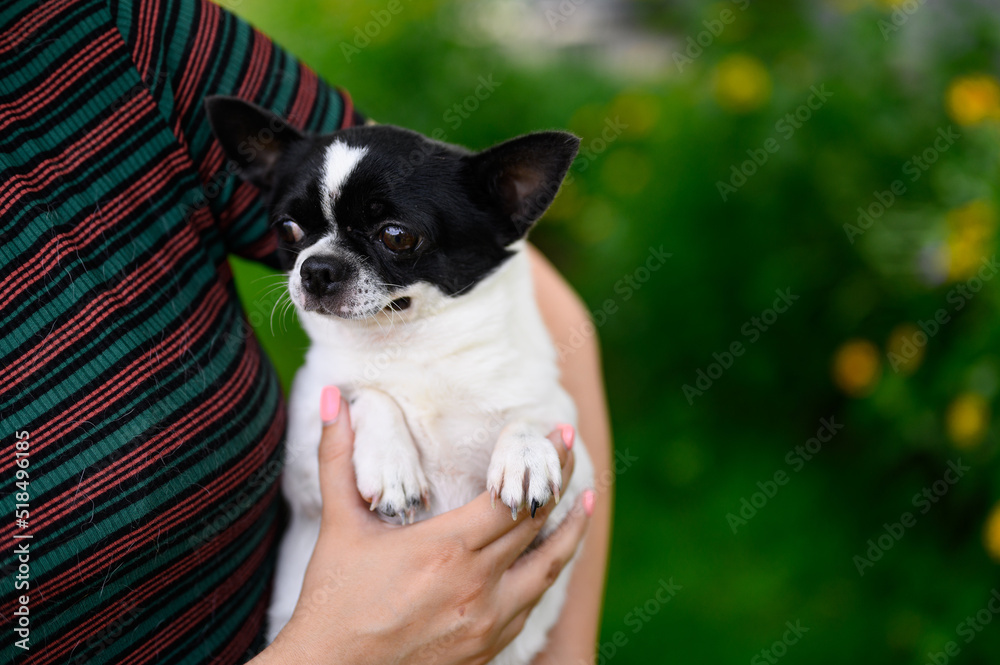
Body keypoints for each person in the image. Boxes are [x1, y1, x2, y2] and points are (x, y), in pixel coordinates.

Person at [0, 0, 611, 662]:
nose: (318, 267)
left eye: (394, 237)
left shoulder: (118, 28)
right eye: (296, 233)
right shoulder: (340, 376)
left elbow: (561, 477)